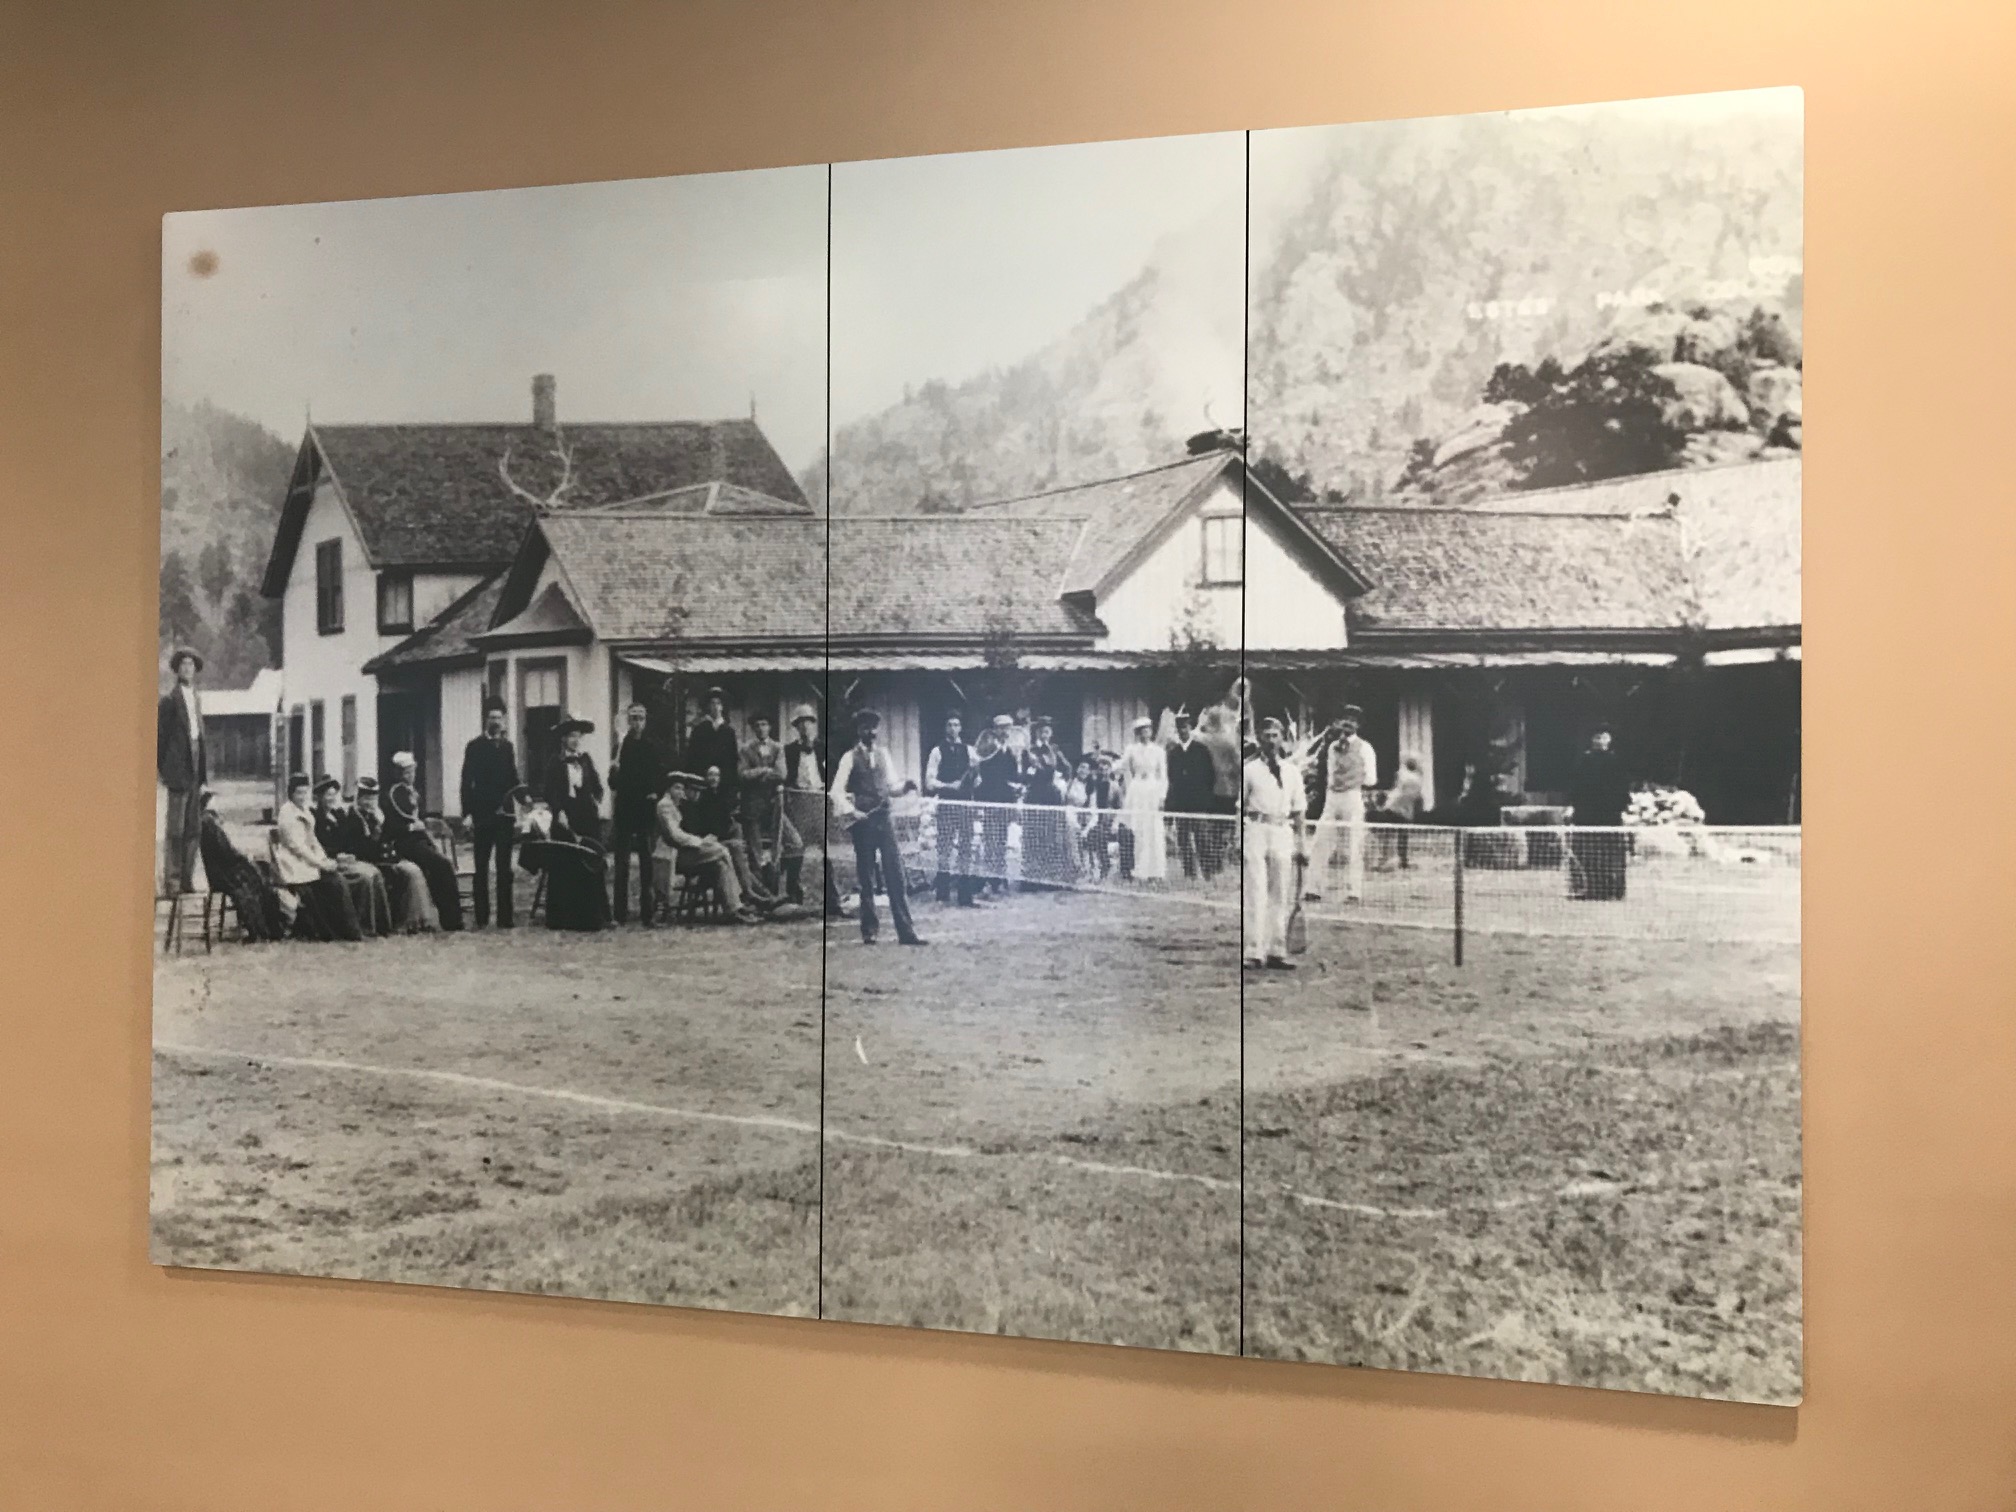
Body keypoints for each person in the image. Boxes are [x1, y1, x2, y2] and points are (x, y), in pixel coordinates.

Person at [830, 709, 925, 946]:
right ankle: (869, 931)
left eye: (874, 728)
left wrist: (905, 788)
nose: (871, 732)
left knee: (896, 875)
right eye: (865, 728)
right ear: (858, 730)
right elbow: (836, 792)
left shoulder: (884, 754)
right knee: (867, 878)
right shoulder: (849, 758)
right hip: (864, 825)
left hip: (885, 820)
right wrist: (853, 812)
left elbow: (891, 787)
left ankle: (906, 932)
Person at [653, 771, 759, 923]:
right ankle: (742, 897)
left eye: (682, 789)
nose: (681, 792)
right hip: (673, 856)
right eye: (676, 788)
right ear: (668, 789)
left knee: (721, 864)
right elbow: (674, 835)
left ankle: (733, 908)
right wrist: (701, 841)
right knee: (722, 851)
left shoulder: (679, 804)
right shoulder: (665, 805)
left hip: (686, 851)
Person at [269, 773, 365, 942]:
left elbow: (313, 841)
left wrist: (324, 859)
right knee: (336, 882)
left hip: (308, 860)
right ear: (291, 793)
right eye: (298, 793)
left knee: (336, 880)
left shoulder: (304, 810)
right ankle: (342, 932)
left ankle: (350, 930)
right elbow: (297, 847)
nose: (302, 797)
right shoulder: (287, 814)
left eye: (304, 792)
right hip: (293, 863)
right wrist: (320, 865)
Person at [1243, 717, 1306, 971]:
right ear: (1259, 739)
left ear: (1283, 739)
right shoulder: (1249, 770)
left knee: (1279, 892)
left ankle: (1277, 950)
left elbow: (1300, 811)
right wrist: (1239, 839)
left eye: (1275, 736)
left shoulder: (1292, 772)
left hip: (1282, 832)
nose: (1271, 741)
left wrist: (1303, 844)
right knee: (1256, 891)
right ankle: (1254, 950)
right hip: (1257, 829)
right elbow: (1240, 807)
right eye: (1266, 736)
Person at [344, 777, 439, 932]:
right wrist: (376, 834)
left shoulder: (379, 815)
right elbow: (357, 847)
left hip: (387, 857)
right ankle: (390, 923)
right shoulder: (353, 817)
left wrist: (381, 826)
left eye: (373, 798)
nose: (370, 802)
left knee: (413, 870)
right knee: (404, 873)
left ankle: (419, 920)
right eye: (366, 798)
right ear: (359, 799)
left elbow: (390, 837)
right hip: (368, 860)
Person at [384, 751, 465, 930]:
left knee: (442, 866)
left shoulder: (409, 791)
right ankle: (451, 919)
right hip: (404, 843)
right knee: (441, 865)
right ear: (399, 774)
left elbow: (418, 816)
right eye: (407, 773)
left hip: (418, 841)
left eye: (412, 772)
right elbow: (391, 826)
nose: (411, 776)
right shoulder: (394, 793)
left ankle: (451, 918)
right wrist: (412, 827)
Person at [1306, 705, 1377, 903]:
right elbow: (1329, 774)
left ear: (1358, 724)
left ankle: (1354, 892)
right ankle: (1313, 888)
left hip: (1352, 797)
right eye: (1345, 718)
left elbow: (1371, 779)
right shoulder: (1331, 747)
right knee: (1321, 842)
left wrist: (1353, 778)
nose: (1348, 723)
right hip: (1332, 797)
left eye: (1353, 720)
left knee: (1354, 845)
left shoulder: (1365, 748)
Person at [459, 698, 520, 929]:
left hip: (504, 815)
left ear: (504, 719)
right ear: (486, 720)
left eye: (499, 717)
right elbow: (467, 781)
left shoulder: (507, 747)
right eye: (492, 717)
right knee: (481, 867)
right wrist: (467, 813)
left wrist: (524, 798)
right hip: (482, 814)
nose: (496, 721)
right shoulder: (474, 747)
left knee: (505, 869)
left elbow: (513, 779)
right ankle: (482, 917)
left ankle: (506, 918)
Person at [195, 789, 285, 941]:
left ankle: (268, 927)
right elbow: (225, 852)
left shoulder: (211, 821)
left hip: (224, 869)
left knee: (259, 874)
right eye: (215, 801)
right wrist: (244, 856)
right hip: (222, 874)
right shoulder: (209, 822)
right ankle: (262, 929)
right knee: (255, 879)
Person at [311, 776, 394, 936]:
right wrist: (336, 855)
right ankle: (363, 925)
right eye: (328, 795)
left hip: (345, 858)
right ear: (319, 797)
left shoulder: (339, 815)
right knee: (365, 877)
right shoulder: (316, 818)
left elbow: (347, 839)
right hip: (329, 861)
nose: (332, 799)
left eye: (334, 795)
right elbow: (318, 845)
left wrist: (348, 853)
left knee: (374, 873)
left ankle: (381, 925)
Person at [780, 705, 841, 916]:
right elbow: (785, 777)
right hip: (799, 803)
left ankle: (833, 901)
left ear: (815, 725)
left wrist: (828, 790)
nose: (806, 727)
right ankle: (792, 898)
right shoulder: (789, 751)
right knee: (796, 851)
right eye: (801, 723)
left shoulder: (823, 749)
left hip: (819, 802)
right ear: (796, 727)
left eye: (809, 722)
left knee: (828, 853)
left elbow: (834, 774)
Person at [156, 647, 207, 896]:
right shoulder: (168, 701)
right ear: (176, 669)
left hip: (196, 769)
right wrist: (165, 771)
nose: (188, 668)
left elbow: (200, 739)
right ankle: (172, 882)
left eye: (191, 665)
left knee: (193, 829)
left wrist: (203, 776)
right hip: (178, 771)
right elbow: (160, 739)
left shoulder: (196, 698)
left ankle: (187, 880)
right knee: (175, 830)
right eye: (183, 664)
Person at [691, 764, 778, 910]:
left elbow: (725, 821)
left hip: (719, 840)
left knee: (739, 858)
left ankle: (762, 896)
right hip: (708, 842)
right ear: (706, 778)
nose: (713, 778)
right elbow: (704, 825)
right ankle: (758, 895)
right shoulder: (703, 798)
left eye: (717, 775)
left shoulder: (720, 797)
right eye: (710, 775)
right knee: (737, 850)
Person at [609, 702, 665, 925]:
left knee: (646, 863)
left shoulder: (652, 746)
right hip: (625, 808)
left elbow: (660, 775)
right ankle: (619, 914)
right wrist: (614, 770)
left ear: (646, 720)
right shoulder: (621, 747)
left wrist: (654, 792)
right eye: (633, 718)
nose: (637, 722)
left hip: (644, 810)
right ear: (628, 721)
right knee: (621, 862)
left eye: (641, 717)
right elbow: (613, 784)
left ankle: (647, 914)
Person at [1567, 722, 1632, 900]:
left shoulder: (1616, 762)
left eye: (1603, 736)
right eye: (1596, 737)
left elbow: (1622, 789)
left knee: (1611, 855)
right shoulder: (1583, 762)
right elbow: (1576, 788)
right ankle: (1589, 889)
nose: (1600, 740)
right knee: (1588, 854)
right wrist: (1574, 808)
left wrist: (1621, 807)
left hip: (1610, 817)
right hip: (1587, 816)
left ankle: (1614, 890)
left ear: (1609, 740)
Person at [924, 712, 980, 906]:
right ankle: (943, 894)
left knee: (966, 849)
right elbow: (929, 782)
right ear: (945, 728)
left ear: (961, 728)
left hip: (965, 805)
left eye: (956, 725)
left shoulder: (970, 751)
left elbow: (978, 782)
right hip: (946, 805)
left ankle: (965, 896)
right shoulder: (936, 751)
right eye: (949, 725)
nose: (953, 728)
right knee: (944, 849)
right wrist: (948, 786)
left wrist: (974, 774)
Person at [1019, 714, 1075, 887]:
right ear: (1037, 733)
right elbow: (1024, 776)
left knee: (1051, 835)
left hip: (1051, 796)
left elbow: (1068, 769)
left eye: (1048, 731)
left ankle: (1052, 878)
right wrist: (1033, 771)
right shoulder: (1029, 751)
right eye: (1042, 731)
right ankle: (1032, 879)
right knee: (1034, 835)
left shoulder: (1055, 749)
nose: (1045, 734)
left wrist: (1061, 782)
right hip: (1035, 795)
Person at [971, 714, 1024, 895]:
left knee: (1001, 840)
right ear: (995, 729)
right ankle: (989, 878)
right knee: (990, 840)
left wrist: (1016, 785)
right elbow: (981, 772)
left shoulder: (1010, 750)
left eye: (1007, 728)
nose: (1005, 731)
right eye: (1001, 728)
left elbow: (1013, 776)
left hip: (1005, 801)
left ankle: (999, 879)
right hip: (989, 800)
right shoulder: (986, 748)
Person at [1165, 709, 1220, 882]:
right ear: (1177, 731)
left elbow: (1211, 776)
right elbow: (1171, 779)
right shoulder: (1173, 753)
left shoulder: (1201, 750)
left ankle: (1208, 872)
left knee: (1202, 838)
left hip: (1198, 802)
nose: (1183, 731)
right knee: (1183, 840)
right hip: (1181, 803)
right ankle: (1190, 873)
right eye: (1180, 728)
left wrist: (1205, 798)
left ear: (1190, 728)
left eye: (1185, 727)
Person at [1116, 716, 1169, 882]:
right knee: (1139, 831)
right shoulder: (1132, 749)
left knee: (1154, 831)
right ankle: (1140, 871)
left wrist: (1162, 797)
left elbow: (1164, 777)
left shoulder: (1159, 751)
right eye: (1142, 731)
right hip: (1137, 792)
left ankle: (1156, 872)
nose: (1146, 733)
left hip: (1153, 792)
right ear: (1138, 733)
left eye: (1148, 730)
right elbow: (1121, 765)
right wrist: (1104, 764)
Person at [738, 713, 786, 884]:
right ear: (753, 728)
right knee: (754, 849)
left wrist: (757, 773)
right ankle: (757, 889)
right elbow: (742, 775)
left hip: (773, 802)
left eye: (764, 724)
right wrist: (765, 770)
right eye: (757, 725)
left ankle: (773, 885)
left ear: (770, 727)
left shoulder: (778, 748)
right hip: (752, 803)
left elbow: (781, 774)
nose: (761, 728)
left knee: (778, 844)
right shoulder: (746, 749)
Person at [686, 686, 741, 815]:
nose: (716, 707)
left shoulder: (729, 731)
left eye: (719, 703)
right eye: (712, 703)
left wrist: (729, 781)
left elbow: (732, 759)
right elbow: (692, 756)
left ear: (723, 707)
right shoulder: (699, 729)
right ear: (708, 706)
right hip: (703, 780)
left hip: (723, 782)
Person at [1370, 755, 1426, 870]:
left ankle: (1385, 859)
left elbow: (1398, 789)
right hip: (1404, 812)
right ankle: (1402, 861)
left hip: (1394, 809)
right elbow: (1416, 797)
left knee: (1387, 836)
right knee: (1402, 839)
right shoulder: (1418, 779)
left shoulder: (1402, 775)